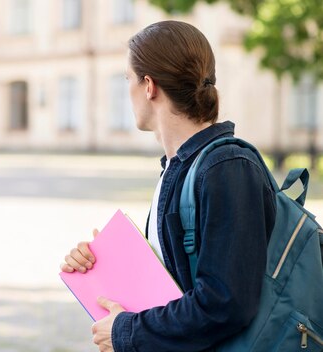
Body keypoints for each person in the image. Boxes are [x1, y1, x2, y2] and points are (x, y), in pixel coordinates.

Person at [60, 20, 276, 352]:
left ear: (149, 86)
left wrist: (127, 331)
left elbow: (225, 303)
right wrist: (105, 265)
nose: (127, 89)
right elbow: (174, 286)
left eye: (127, 79)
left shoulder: (227, 168)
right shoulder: (177, 168)